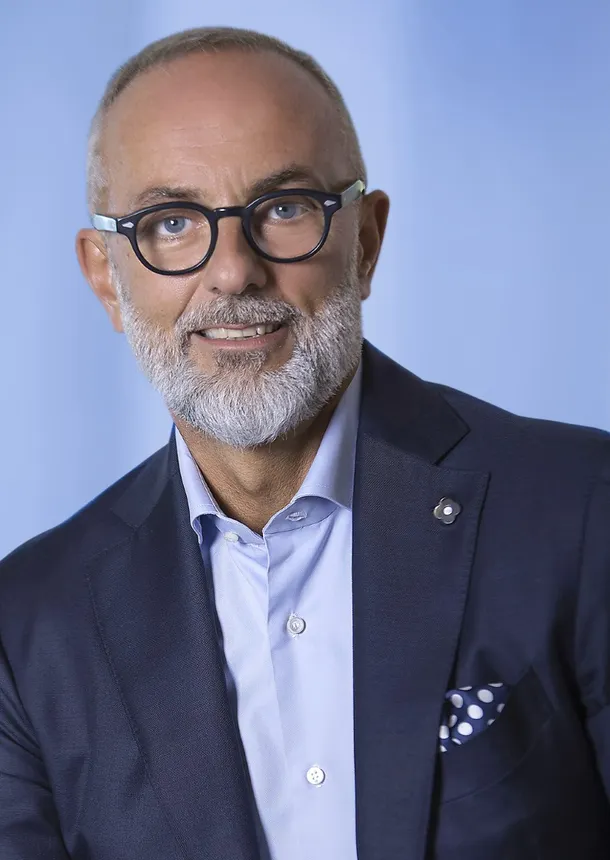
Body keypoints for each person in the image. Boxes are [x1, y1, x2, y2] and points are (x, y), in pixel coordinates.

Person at [1, 24, 609, 860]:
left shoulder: (582, 513)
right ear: (107, 277)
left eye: (284, 209)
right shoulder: (29, 628)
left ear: (365, 242)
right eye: (171, 223)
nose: (233, 272)